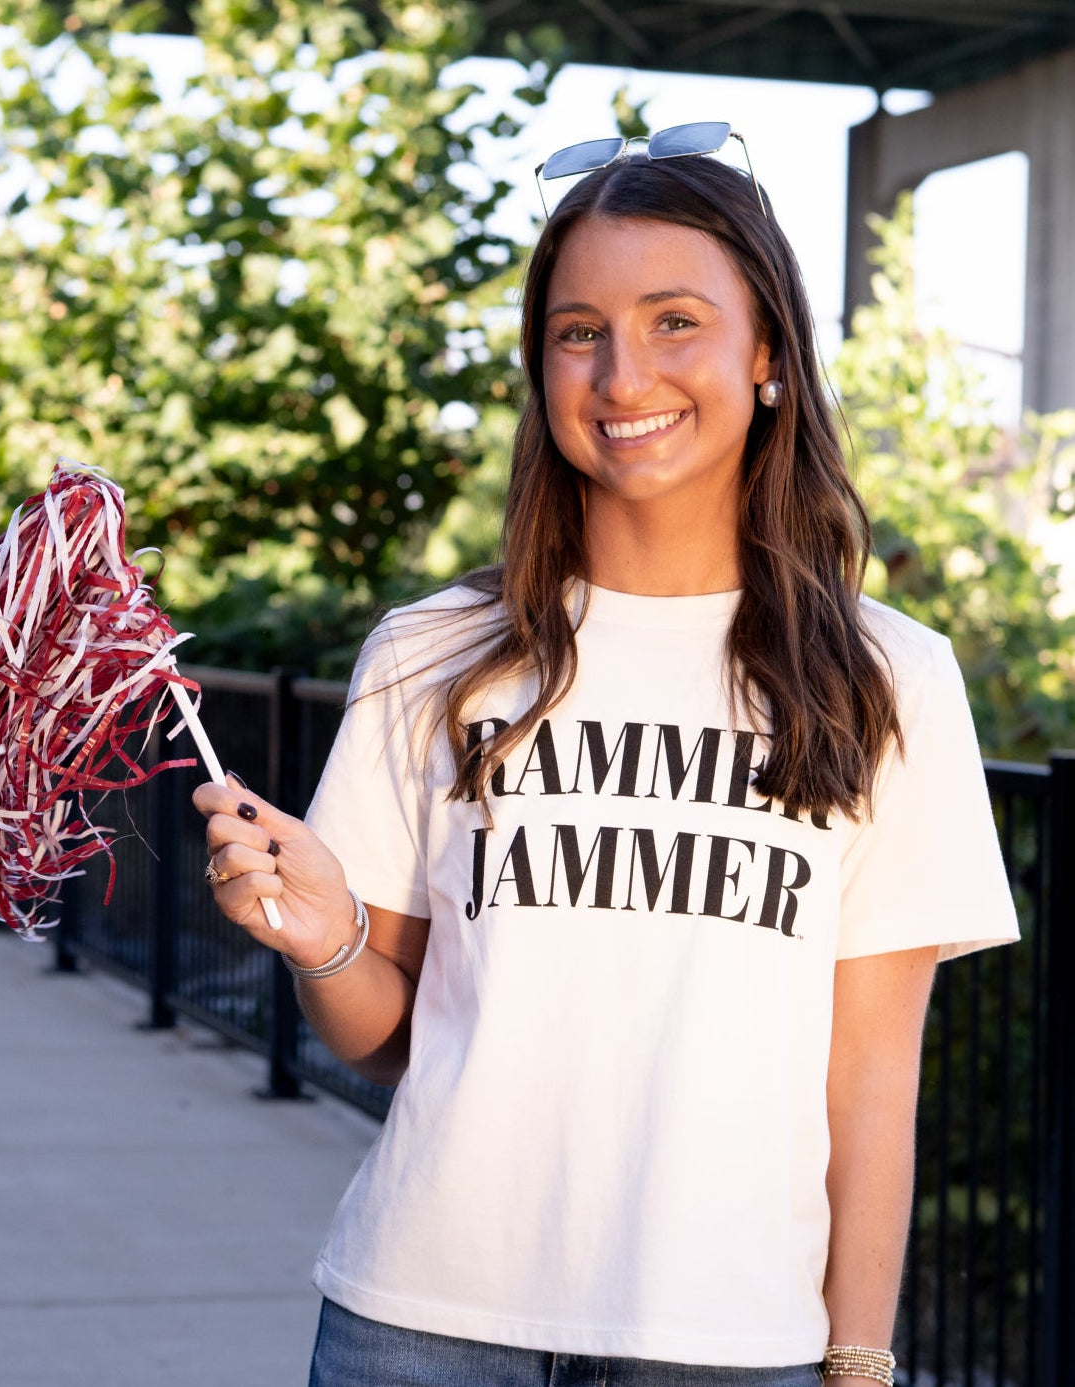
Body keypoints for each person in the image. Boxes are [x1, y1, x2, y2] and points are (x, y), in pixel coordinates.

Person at [194, 127, 1019, 1387]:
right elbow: (392, 1038)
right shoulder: (431, 653)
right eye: (579, 331)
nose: (623, 374)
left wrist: (859, 1360)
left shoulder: (887, 675)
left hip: (730, 1346)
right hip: (421, 1323)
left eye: (675, 320)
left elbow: (868, 1081)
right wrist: (326, 944)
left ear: (770, 355)